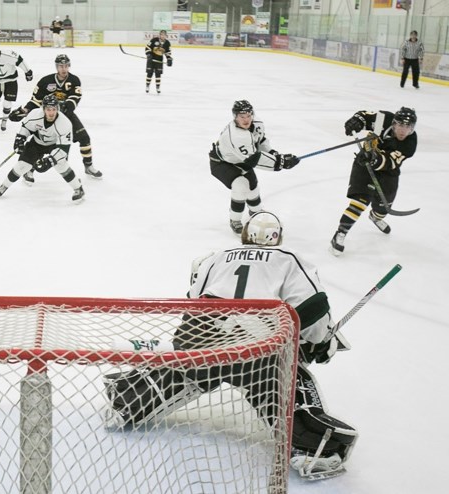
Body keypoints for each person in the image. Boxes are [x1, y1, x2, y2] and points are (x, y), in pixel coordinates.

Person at [105, 211, 357, 479]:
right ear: (277, 236)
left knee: (189, 367)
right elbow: (313, 311)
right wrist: (320, 342)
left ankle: (127, 399)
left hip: (201, 337)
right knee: (285, 373)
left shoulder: (215, 257)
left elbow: (193, 299)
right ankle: (312, 446)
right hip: (254, 351)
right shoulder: (288, 258)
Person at [330, 107, 418, 256]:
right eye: (401, 125)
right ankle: (340, 234)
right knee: (360, 201)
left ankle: (375, 217)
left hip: (388, 172)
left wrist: (374, 158)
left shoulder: (409, 143)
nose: (404, 130)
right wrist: (356, 122)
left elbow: (390, 162)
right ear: (394, 123)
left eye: (408, 127)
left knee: (383, 208)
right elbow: (363, 115)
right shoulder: (383, 118)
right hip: (364, 165)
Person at [209, 100, 299, 234]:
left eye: (248, 116)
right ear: (235, 117)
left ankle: (255, 212)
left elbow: (260, 140)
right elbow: (254, 160)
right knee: (240, 186)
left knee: (253, 188)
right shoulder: (236, 136)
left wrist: (273, 153)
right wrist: (281, 162)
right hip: (222, 163)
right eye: (242, 116)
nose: (246, 120)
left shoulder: (257, 124)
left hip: (241, 161)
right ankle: (235, 219)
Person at [9, 53, 102, 181]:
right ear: (56, 67)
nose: (63, 69)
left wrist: (66, 106)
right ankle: (29, 170)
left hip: (66, 117)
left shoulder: (74, 80)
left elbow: (75, 98)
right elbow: (36, 101)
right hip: (47, 117)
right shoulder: (45, 81)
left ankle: (88, 166)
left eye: (66, 66)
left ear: (69, 66)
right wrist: (24, 111)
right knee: (38, 143)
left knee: (84, 138)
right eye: (60, 66)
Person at [0, 94, 84, 203]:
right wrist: (21, 139)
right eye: (48, 109)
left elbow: (63, 149)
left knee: (61, 164)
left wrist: (50, 161)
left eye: (54, 109)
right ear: (43, 109)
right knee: (22, 165)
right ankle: (4, 185)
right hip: (37, 142)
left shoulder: (65, 123)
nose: (51, 113)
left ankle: (78, 188)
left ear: (57, 108)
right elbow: (26, 128)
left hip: (55, 146)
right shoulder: (35, 114)